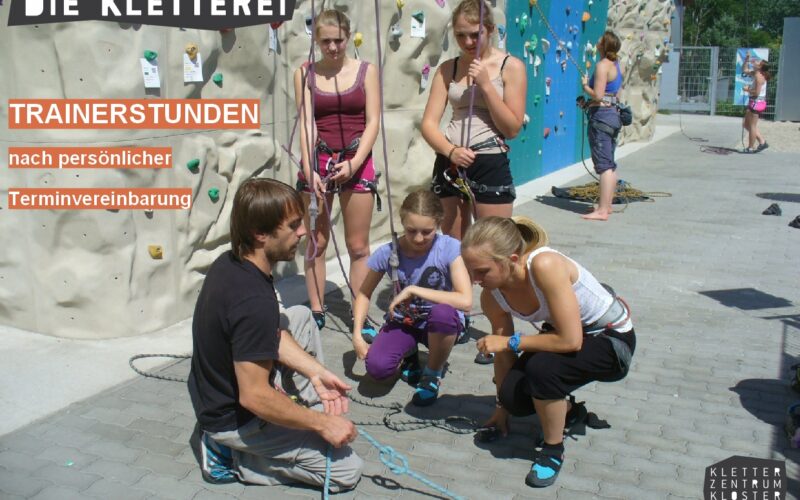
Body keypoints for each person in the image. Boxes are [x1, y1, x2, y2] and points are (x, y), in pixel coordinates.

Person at [187, 178, 363, 492]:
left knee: (300, 317)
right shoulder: (253, 303)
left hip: (212, 393)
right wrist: (324, 424)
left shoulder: (230, 263)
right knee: (346, 470)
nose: (302, 232)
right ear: (260, 233)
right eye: (294, 225)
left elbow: (271, 333)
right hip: (233, 420)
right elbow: (253, 396)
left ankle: (304, 410)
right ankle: (228, 454)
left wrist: (318, 372)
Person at [461, 216, 635, 488]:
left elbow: (569, 341)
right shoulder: (491, 294)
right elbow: (503, 351)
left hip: (611, 340)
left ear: (513, 258)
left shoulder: (544, 264)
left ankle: (553, 450)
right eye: (470, 270)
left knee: (542, 370)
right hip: (567, 335)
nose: (474, 280)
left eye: (482, 271)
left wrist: (509, 342)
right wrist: (501, 408)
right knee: (512, 396)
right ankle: (567, 412)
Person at [293, 9, 380, 339]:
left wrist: (355, 162)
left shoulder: (366, 71)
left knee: (358, 245)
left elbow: (373, 121)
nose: (332, 47)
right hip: (319, 161)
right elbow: (306, 122)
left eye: (338, 40)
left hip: (357, 160)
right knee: (316, 241)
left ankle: (360, 312)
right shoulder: (304, 73)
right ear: (316, 40)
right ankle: (317, 308)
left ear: (348, 37)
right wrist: (308, 166)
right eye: (326, 41)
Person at [351, 190, 472, 406]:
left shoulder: (450, 248)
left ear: (439, 224)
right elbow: (363, 293)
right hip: (404, 319)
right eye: (411, 230)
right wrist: (357, 335)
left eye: (427, 232)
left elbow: (465, 301)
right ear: (402, 221)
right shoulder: (388, 252)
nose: (418, 238)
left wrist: (414, 290)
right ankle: (409, 354)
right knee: (378, 369)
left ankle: (432, 374)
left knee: (443, 314)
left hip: (439, 322)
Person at [421, 0, 526, 240]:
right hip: (451, 161)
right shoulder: (449, 68)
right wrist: (450, 151)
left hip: (488, 161)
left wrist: (487, 87)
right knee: (452, 243)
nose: (468, 42)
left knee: (492, 244)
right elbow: (428, 124)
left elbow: (512, 128)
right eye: (460, 36)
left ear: (489, 29)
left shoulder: (511, 67)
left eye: (474, 35)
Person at [580, 31, 624, 221]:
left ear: (603, 46)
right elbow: (615, 95)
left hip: (602, 118)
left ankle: (602, 210)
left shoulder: (602, 66)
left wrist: (585, 87)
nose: (597, 41)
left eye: (600, 40)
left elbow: (598, 95)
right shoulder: (616, 66)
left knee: (604, 166)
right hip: (614, 115)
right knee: (610, 163)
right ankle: (606, 205)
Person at [742, 55, 770, 153]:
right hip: (754, 101)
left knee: (752, 126)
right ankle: (762, 142)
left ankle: (750, 147)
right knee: (746, 124)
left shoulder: (759, 77)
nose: (756, 62)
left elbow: (756, 92)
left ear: (760, 67)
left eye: (758, 62)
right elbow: (745, 70)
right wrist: (746, 60)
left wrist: (747, 89)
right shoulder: (756, 73)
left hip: (756, 102)